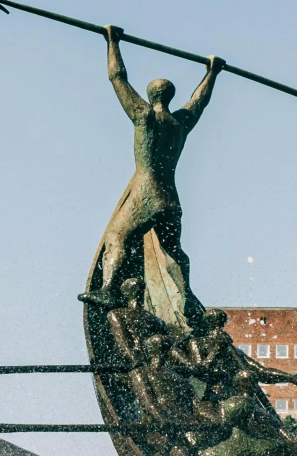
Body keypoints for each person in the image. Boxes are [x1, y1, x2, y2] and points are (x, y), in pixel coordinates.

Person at [89, 26, 223, 331]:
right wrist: (212, 72)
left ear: (150, 96)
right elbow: (200, 100)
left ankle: (108, 289)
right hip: (171, 197)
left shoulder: (143, 116)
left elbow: (117, 78)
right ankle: (187, 296)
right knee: (174, 250)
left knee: (116, 238)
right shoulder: (181, 122)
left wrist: (112, 41)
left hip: (145, 191)